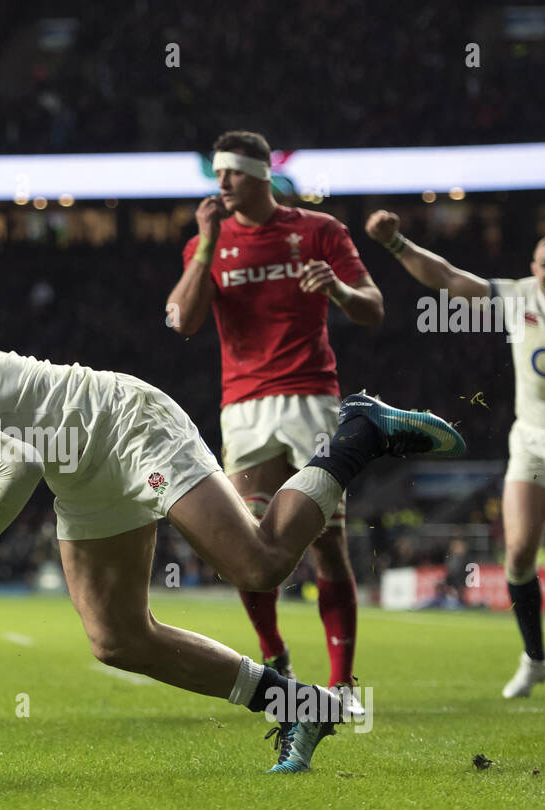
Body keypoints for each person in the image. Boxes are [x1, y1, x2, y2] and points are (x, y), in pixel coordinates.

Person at [0, 341, 465, 772]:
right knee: (117, 636)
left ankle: (359, 433)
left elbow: (15, 461)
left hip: (121, 425)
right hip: (84, 465)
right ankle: (299, 705)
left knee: (256, 565)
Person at [364, 212, 545, 699]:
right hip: (529, 444)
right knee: (519, 554)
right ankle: (535, 660)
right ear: (534, 266)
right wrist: (396, 242)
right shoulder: (518, 296)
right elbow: (447, 278)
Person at [166, 130, 384, 713]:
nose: (221, 185)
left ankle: (342, 687)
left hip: (311, 395)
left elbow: (374, 307)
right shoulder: (207, 242)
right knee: (245, 543)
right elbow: (182, 321)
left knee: (328, 545)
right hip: (243, 405)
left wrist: (335, 288)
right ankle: (275, 653)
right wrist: (208, 242)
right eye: (217, 174)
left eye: (231, 174)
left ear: (260, 173)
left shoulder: (319, 231)